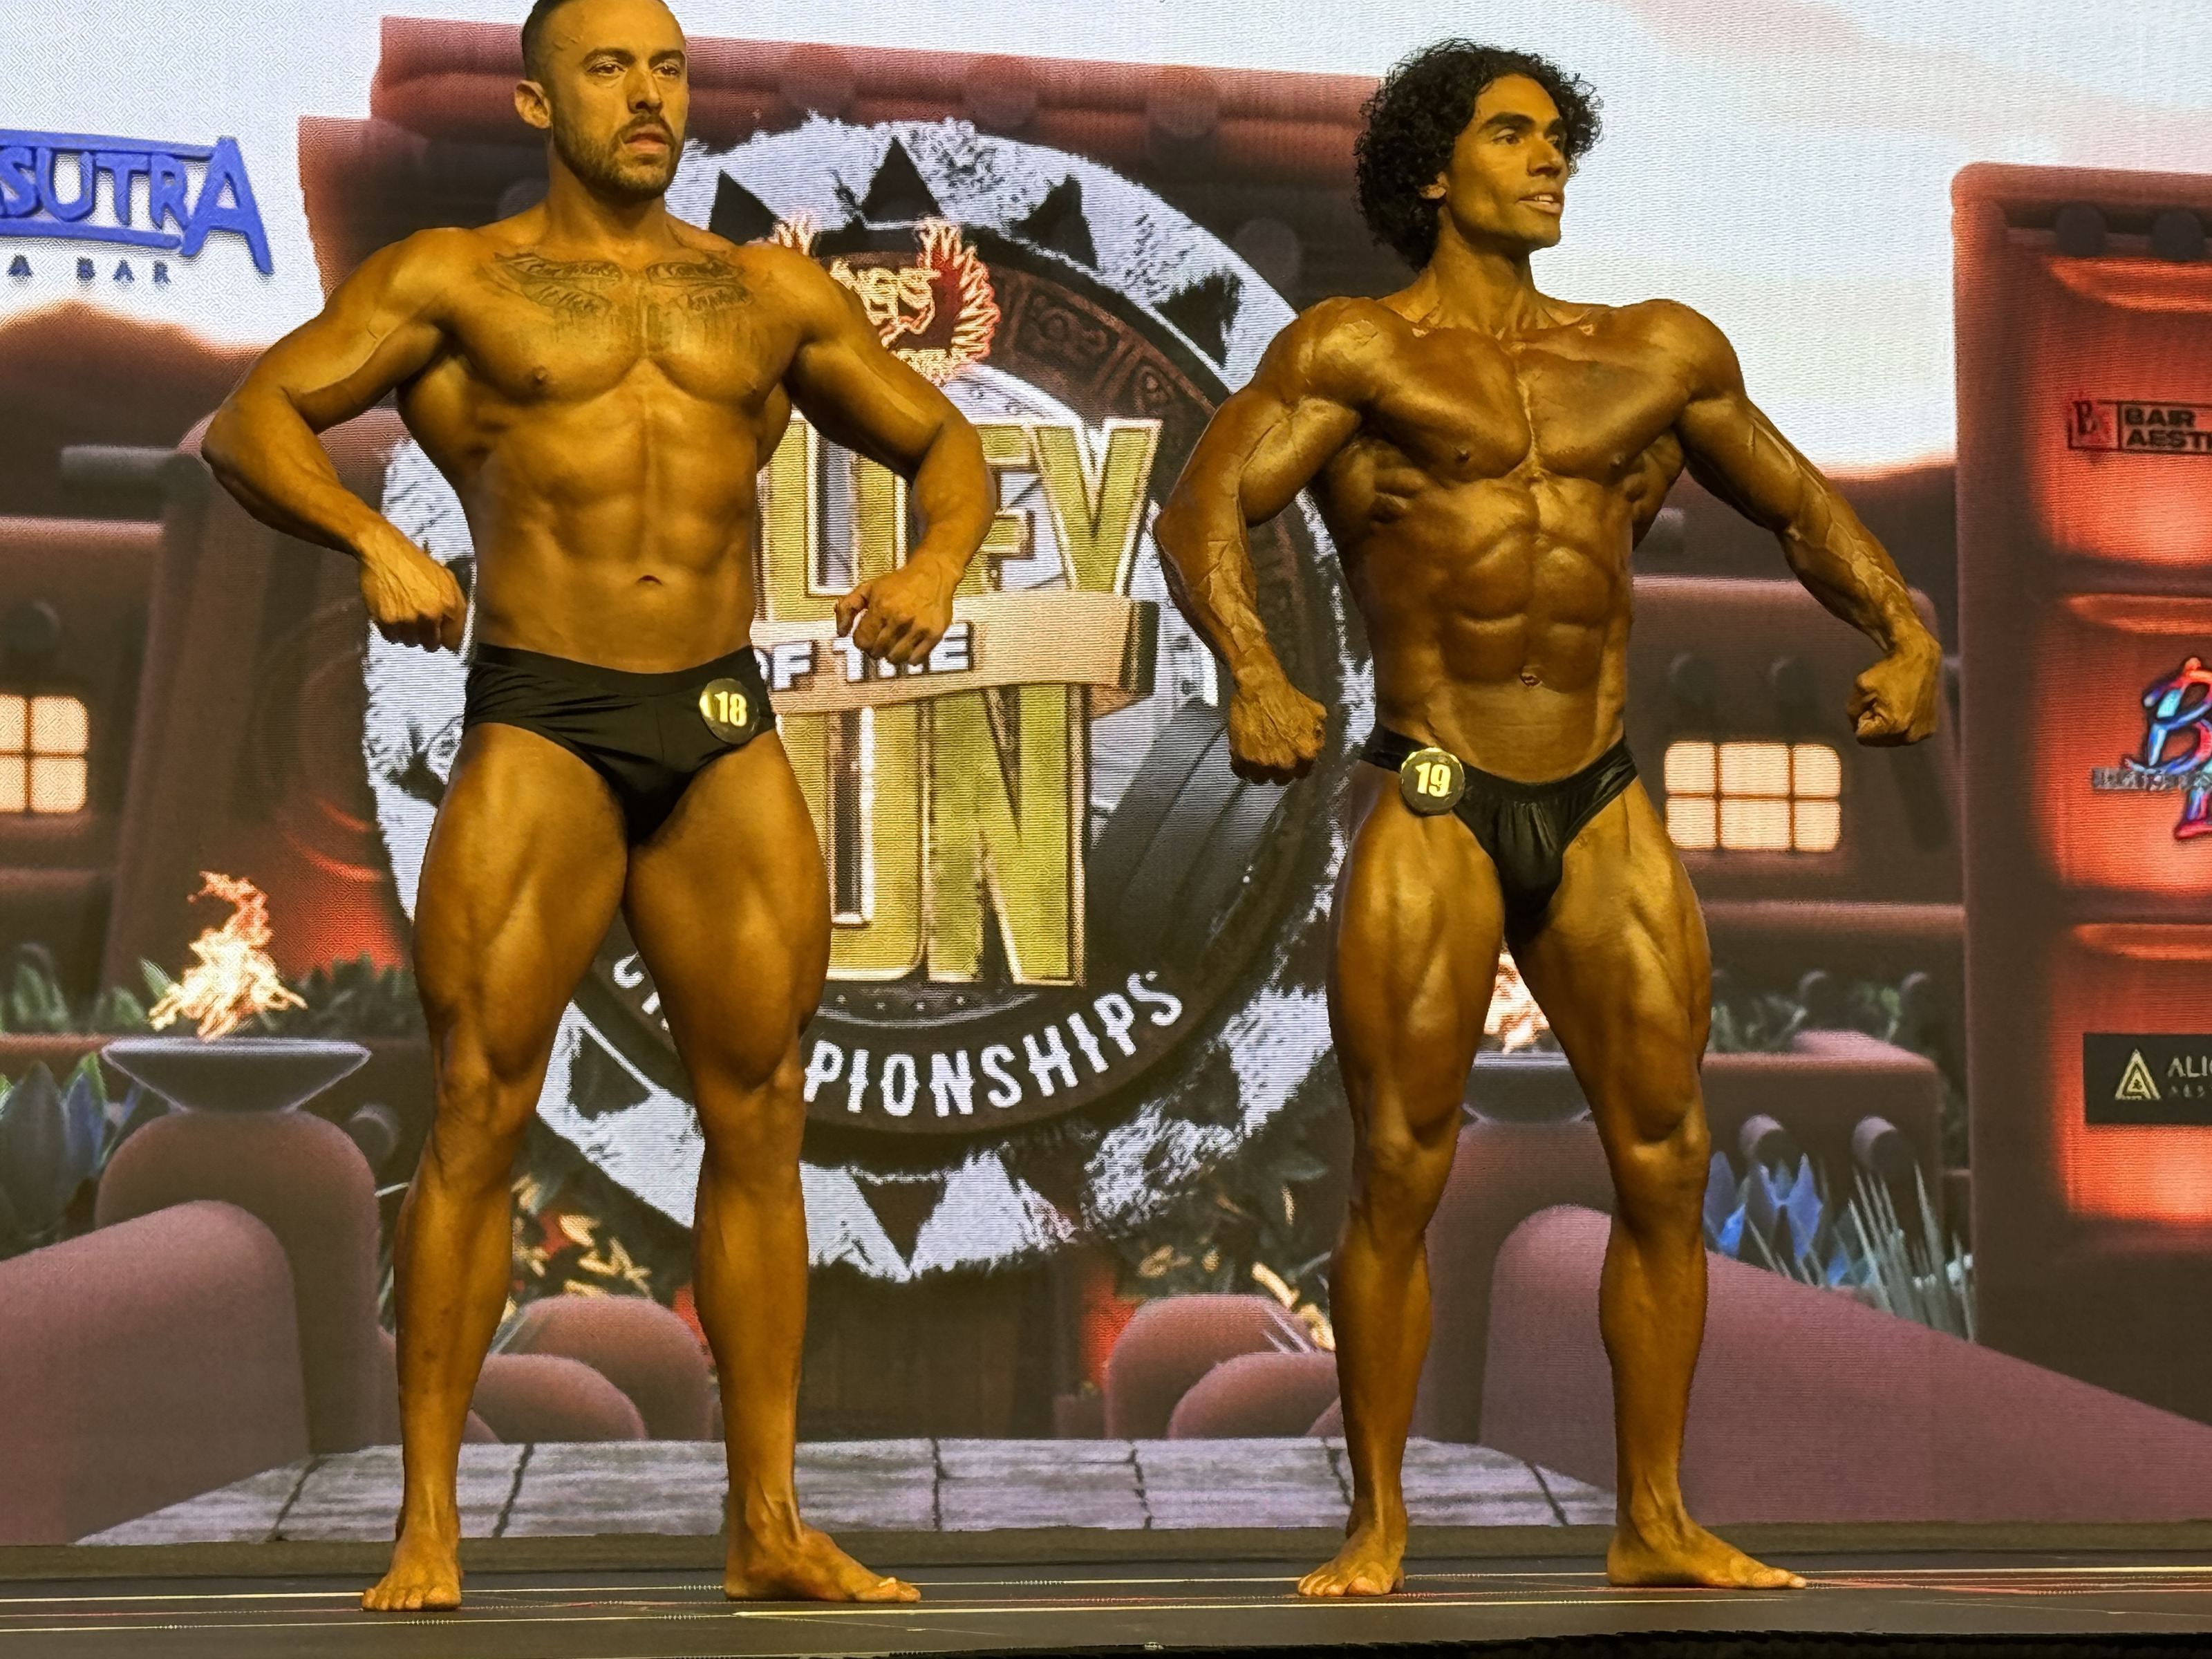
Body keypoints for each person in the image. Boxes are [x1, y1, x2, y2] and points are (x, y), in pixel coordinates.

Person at [202, 0, 990, 1611]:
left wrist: (931, 566)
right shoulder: (455, 280)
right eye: (611, 68)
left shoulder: (766, 293)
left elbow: (946, 446)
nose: (649, 96)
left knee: (761, 1115)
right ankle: (429, 1527)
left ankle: (767, 1526)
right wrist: (373, 540)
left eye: (670, 69)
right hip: (543, 724)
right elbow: (252, 422)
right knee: (479, 1113)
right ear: (534, 100)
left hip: (717, 727)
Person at [1154, 39, 1939, 1596]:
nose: (1548, 159)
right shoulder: (1356, 352)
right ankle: (1378, 1523)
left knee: (1667, 1157)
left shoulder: (1653, 352)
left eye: (1556, 136)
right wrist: (1253, 671)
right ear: (1430, 171)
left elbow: (1796, 504)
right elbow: (1203, 510)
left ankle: (1654, 1519)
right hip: (1436, 788)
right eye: (1511, 134)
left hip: (1597, 799)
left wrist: (1902, 631)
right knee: (1399, 1167)